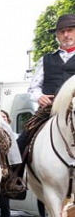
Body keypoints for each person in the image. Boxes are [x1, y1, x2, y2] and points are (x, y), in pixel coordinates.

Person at [18, 13, 75, 155]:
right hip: (49, 109)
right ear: (57, 35)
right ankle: (13, 173)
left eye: (70, 30)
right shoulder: (45, 60)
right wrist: (39, 97)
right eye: (62, 31)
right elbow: (33, 88)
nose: (66, 35)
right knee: (23, 139)